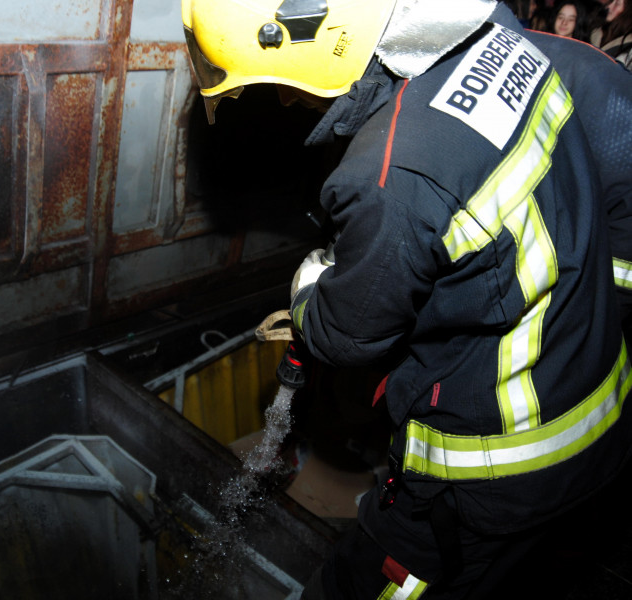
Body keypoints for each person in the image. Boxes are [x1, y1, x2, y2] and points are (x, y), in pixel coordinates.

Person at [181, 0, 632, 598]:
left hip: (492, 465)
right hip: (594, 399)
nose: (286, 101)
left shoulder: (392, 179)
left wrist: (311, 290)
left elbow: (348, 333)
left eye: (280, 84)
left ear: (312, 39)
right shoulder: (495, 35)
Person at [591, 0, 632, 67]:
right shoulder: (595, 32)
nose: (609, 7)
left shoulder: (628, 44)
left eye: (617, 4)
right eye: (611, 2)